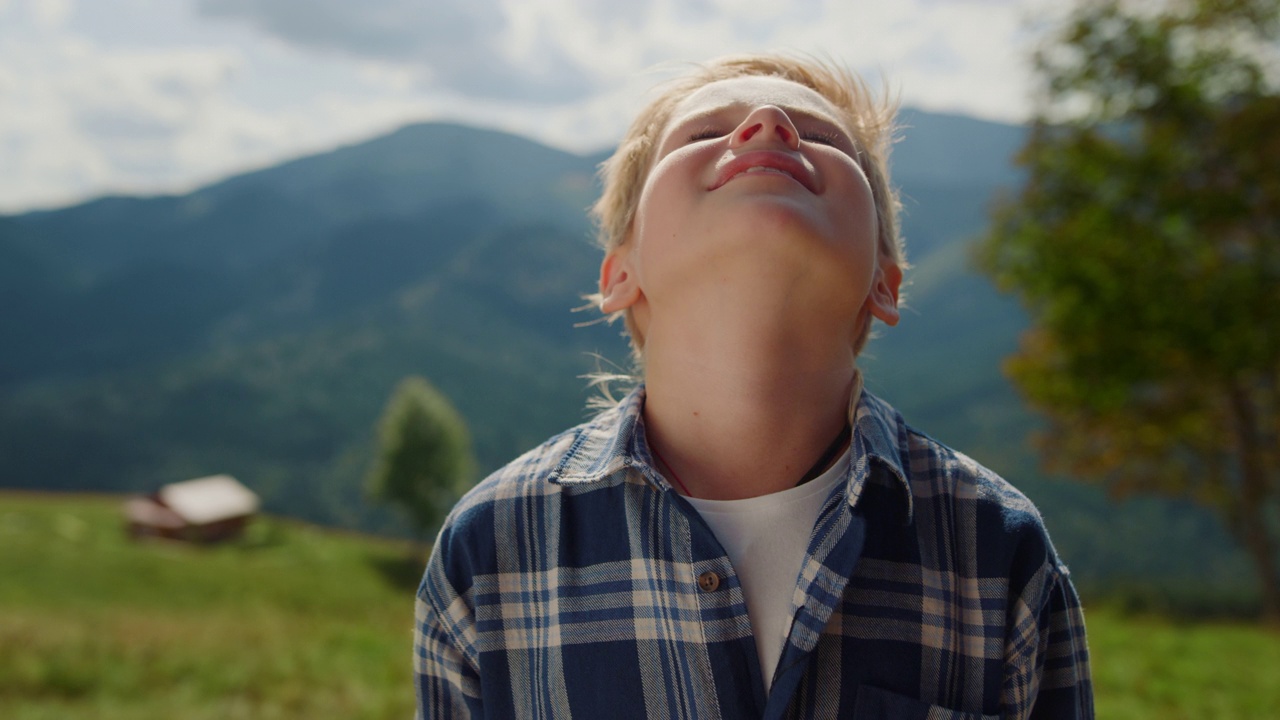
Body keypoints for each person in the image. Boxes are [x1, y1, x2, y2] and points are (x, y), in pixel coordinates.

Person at [414, 54, 1093, 719]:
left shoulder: (997, 551)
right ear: (620, 273)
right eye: (706, 133)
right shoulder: (492, 548)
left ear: (885, 282)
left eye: (824, 139)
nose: (768, 123)